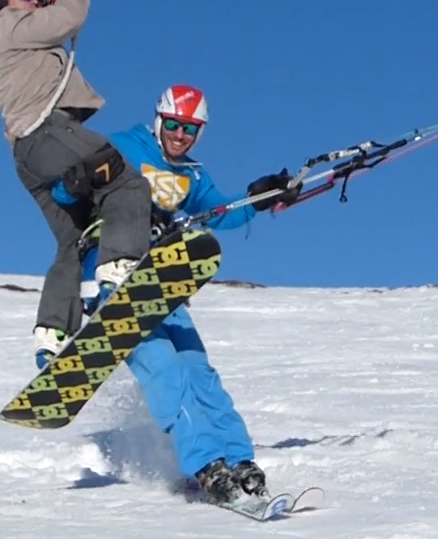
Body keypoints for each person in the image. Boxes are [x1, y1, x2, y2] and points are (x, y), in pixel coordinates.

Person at [52, 84, 301, 504]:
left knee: (198, 372)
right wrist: (73, 181)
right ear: (158, 119)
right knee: (165, 371)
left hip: (163, 281)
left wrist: (261, 196)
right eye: (173, 124)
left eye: (190, 128)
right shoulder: (124, 146)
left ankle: (240, 461)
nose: (180, 135)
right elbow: (65, 191)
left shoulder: (193, 175)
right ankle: (206, 466)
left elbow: (222, 212)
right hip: (114, 274)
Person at [0, 0, 152, 366]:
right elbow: (71, 15)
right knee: (126, 183)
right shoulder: (10, 25)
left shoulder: (8, 34)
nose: (36, 3)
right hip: (48, 132)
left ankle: (54, 332)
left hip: (28, 152)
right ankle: (120, 271)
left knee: (73, 239)